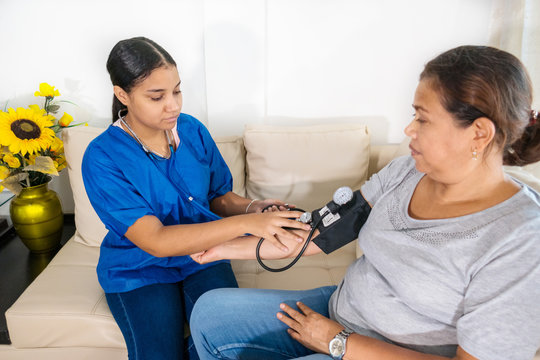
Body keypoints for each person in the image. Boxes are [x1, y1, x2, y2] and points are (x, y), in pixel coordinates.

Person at [189, 45, 540, 360]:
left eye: (423, 118)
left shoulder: (521, 241)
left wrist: (339, 342)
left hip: (366, 346)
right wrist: (221, 248)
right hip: (340, 312)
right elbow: (321, 234)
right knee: (210, 314)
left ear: (478, 133)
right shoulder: (408, 171)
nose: (409, 129)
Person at [81, 36, 311, 360]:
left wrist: (252, 207)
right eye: (157, 96)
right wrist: (249, 223)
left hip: (205, 257)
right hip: (139, 269)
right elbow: (157, 241)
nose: (173, 105)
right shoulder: (102, 157)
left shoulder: (190, 130)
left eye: (176, 90)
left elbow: (218, 196)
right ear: (123, 95)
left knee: (230, 342)